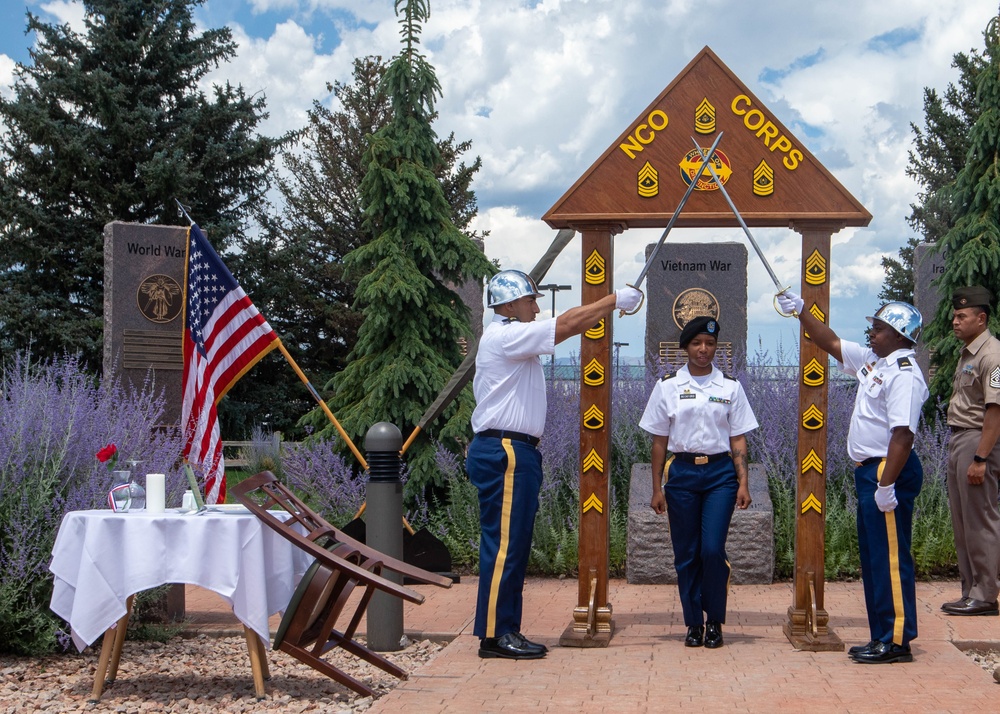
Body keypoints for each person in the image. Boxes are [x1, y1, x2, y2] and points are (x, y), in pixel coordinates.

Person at [468, 269, 642, 660]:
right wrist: (613, 301)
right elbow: (566, 325)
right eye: (530, 300)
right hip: (507, 450)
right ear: (510, 305)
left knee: (512, 546)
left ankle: (504, 628)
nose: (536, 306)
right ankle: (496, 636)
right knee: (505, 549)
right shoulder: (507, 335)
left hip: (513, 449)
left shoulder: (512, 338)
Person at [777, 291, 928, 664]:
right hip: (872, 472)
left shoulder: (904, 374)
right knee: (875, 557)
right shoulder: (877, 363)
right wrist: (800, 312)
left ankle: (895, 642)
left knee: (890, 558)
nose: (871, 334)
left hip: (886, 470)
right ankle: (881, 634)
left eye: (878, 328)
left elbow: (903, 435)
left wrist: (887, 484)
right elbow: (828, 341)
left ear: (899, 333)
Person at [638, 316, 758, 649]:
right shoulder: (667, 386)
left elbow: (738, 438)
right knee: (686, 553)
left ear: (715, 348)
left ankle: (715, 621)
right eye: (696, 344)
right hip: (683, 475)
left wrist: (743, 482)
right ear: (686, 348)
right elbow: (659, 440)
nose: (703, 350)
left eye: (709, 344)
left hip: (720, 476)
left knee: (712, 549)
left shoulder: (730, 387)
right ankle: (693, 623)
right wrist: (656, 488)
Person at [941, 286, 1000, 617]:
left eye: (962, 316)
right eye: (954, 315)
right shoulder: (969, 354)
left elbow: (995, 410)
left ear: (981, 318)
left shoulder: (992, 356)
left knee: (981, 520)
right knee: (964, 521)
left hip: (977, 441)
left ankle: (986, 594)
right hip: (959, 439)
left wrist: (981, 457)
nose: (955, 321)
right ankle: (971, 591)